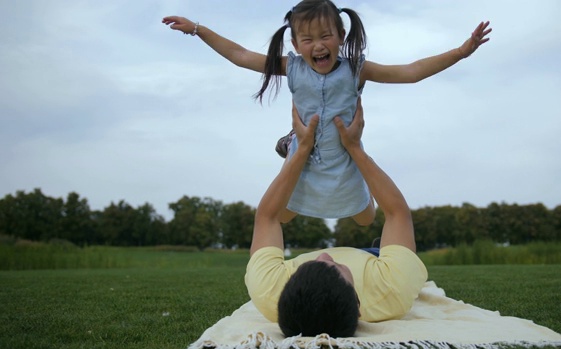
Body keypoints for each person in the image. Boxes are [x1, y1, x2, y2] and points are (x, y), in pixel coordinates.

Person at [162, 1, 491, 226]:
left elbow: (411, 71)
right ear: (295, 41)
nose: (317, 45)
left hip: (342, 155)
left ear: (341, 37)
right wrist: (197, 29)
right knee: (283, 216)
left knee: (366, 219)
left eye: (325, 36)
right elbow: (240, 55)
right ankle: (293, 140)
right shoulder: (290, 67)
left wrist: (462, 52)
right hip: (304, 158)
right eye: (307, 39)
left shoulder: (355, 70)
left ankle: (305, 146)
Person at [244, 99, 428, 338]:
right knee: (367, 220)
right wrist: (354, 149)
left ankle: (291, 146)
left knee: (283, 213)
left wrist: (300, 150)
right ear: (358, 305)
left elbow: (267, 217)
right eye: (336, 266)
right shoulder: (393, 288)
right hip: (375, 261)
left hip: (365, 264)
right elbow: (396, 213)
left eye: (312, 265)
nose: (325, 254)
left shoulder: (268, 291)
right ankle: (376, 247)